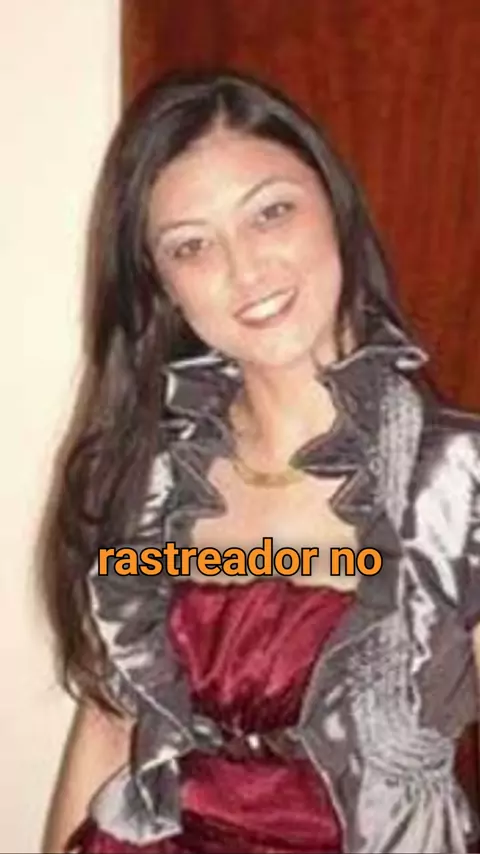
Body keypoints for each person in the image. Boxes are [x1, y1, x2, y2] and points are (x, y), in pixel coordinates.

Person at [41, 69, 480, 854]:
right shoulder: (150, 480)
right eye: (192, 246)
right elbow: (109, 727)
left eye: (271, 212)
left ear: (333, 206)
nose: (246, 271)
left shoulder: (457, 483)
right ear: (163, 286)